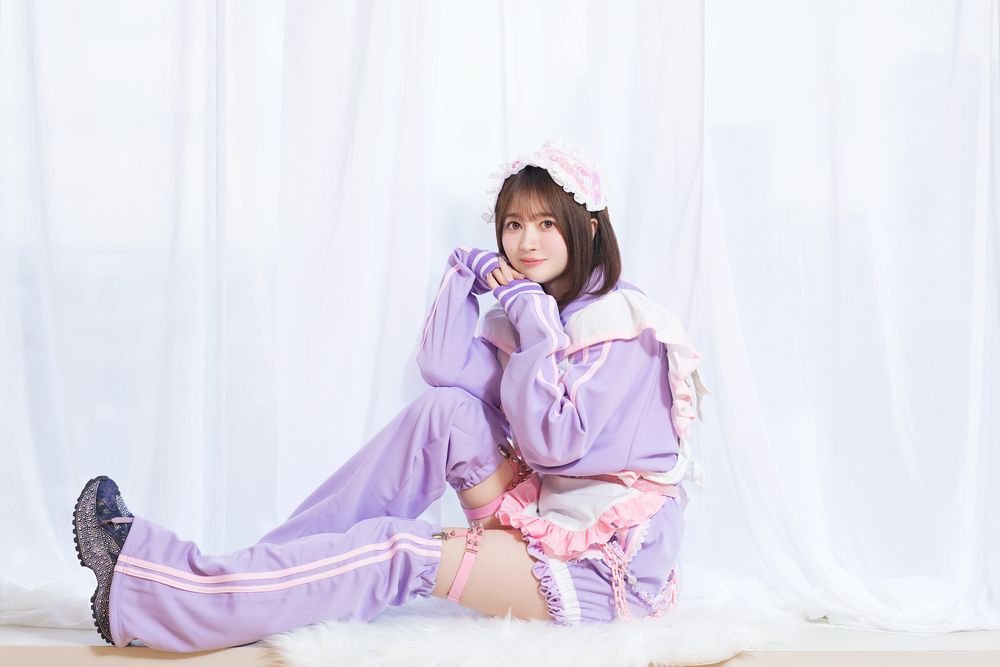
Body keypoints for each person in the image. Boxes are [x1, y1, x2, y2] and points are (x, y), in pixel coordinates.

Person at [72, 140, 708, 652]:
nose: (526, 242)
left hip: (600, 572)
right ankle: (258, 574)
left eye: (546, 223)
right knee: (445, 414)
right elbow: (444, 370)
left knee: (399, 550)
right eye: (513, 224)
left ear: (588, 228)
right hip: (548, 519)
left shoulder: (622, 325)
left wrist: (529, 316)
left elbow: (554, 446)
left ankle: (167, 597)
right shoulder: (540, 312)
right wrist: (464, 278)